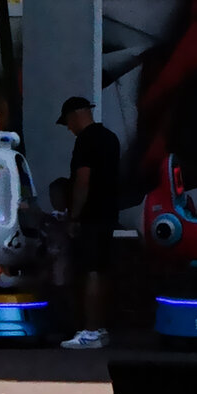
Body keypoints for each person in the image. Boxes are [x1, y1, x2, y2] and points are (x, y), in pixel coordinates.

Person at [58, 93, 121, 348]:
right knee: (102, 269)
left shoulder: (85, 140)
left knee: (91, 270)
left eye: (67, 123)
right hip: (109, 214)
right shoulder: (110, 138)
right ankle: (100, 328)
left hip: (91, 216)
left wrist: (74, 216)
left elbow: (83, 180)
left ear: (74, 116)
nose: (69, 129)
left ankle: (90, 331)